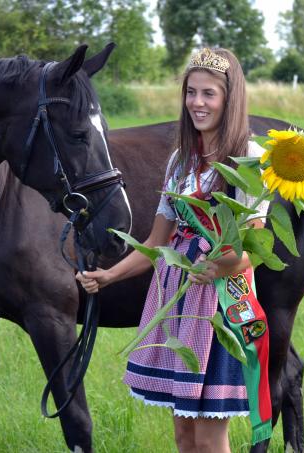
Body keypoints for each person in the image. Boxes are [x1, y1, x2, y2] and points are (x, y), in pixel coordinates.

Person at [76, 47, 271, 452]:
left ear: (229, 99)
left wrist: (219, 267)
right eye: (191, 92)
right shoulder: (181, 161)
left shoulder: (250, 160)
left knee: (209, 433)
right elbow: (156, 243)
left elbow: (253, 246)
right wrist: (109, 276)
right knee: (183, 433)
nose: (197, 103)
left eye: (209, 94)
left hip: (219, 305)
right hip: (176, 301)